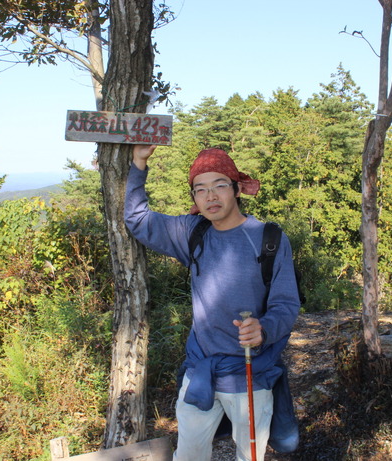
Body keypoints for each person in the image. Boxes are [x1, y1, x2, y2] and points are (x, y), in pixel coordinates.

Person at [124, 145, 300, 461]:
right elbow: (137, 219)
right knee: (188, 455)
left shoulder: (268, 238)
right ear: (194, 198)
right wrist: (139, 162)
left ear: (236, 188)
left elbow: (286, 303)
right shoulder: (192, 232)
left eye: (220, 185)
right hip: (201, 371)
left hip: (251, 373)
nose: (211, 196)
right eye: (200, 190)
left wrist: (264, 328)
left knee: (250, 457)